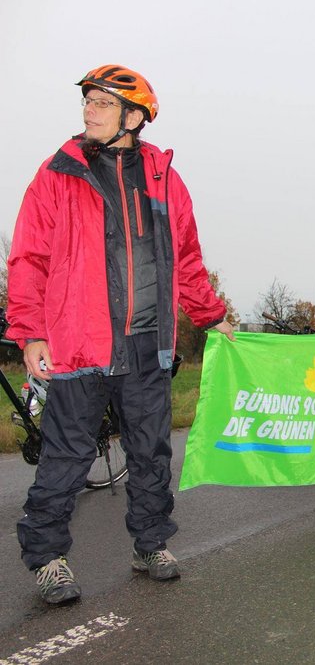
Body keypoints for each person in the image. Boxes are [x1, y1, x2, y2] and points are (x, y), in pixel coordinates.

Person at [6, 65, 235, 604]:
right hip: (80, 344)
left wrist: (210, 314)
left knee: (152, 452)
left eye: (103, 103)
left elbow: (187, 260)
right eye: (88, 101)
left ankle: (150, 543)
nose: (89, 110)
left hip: (147, 346)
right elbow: (28, 258)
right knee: (65, 457)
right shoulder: (57, 174)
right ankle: (47, 558)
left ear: (134, 117)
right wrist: (31, 332)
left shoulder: (165, 179)